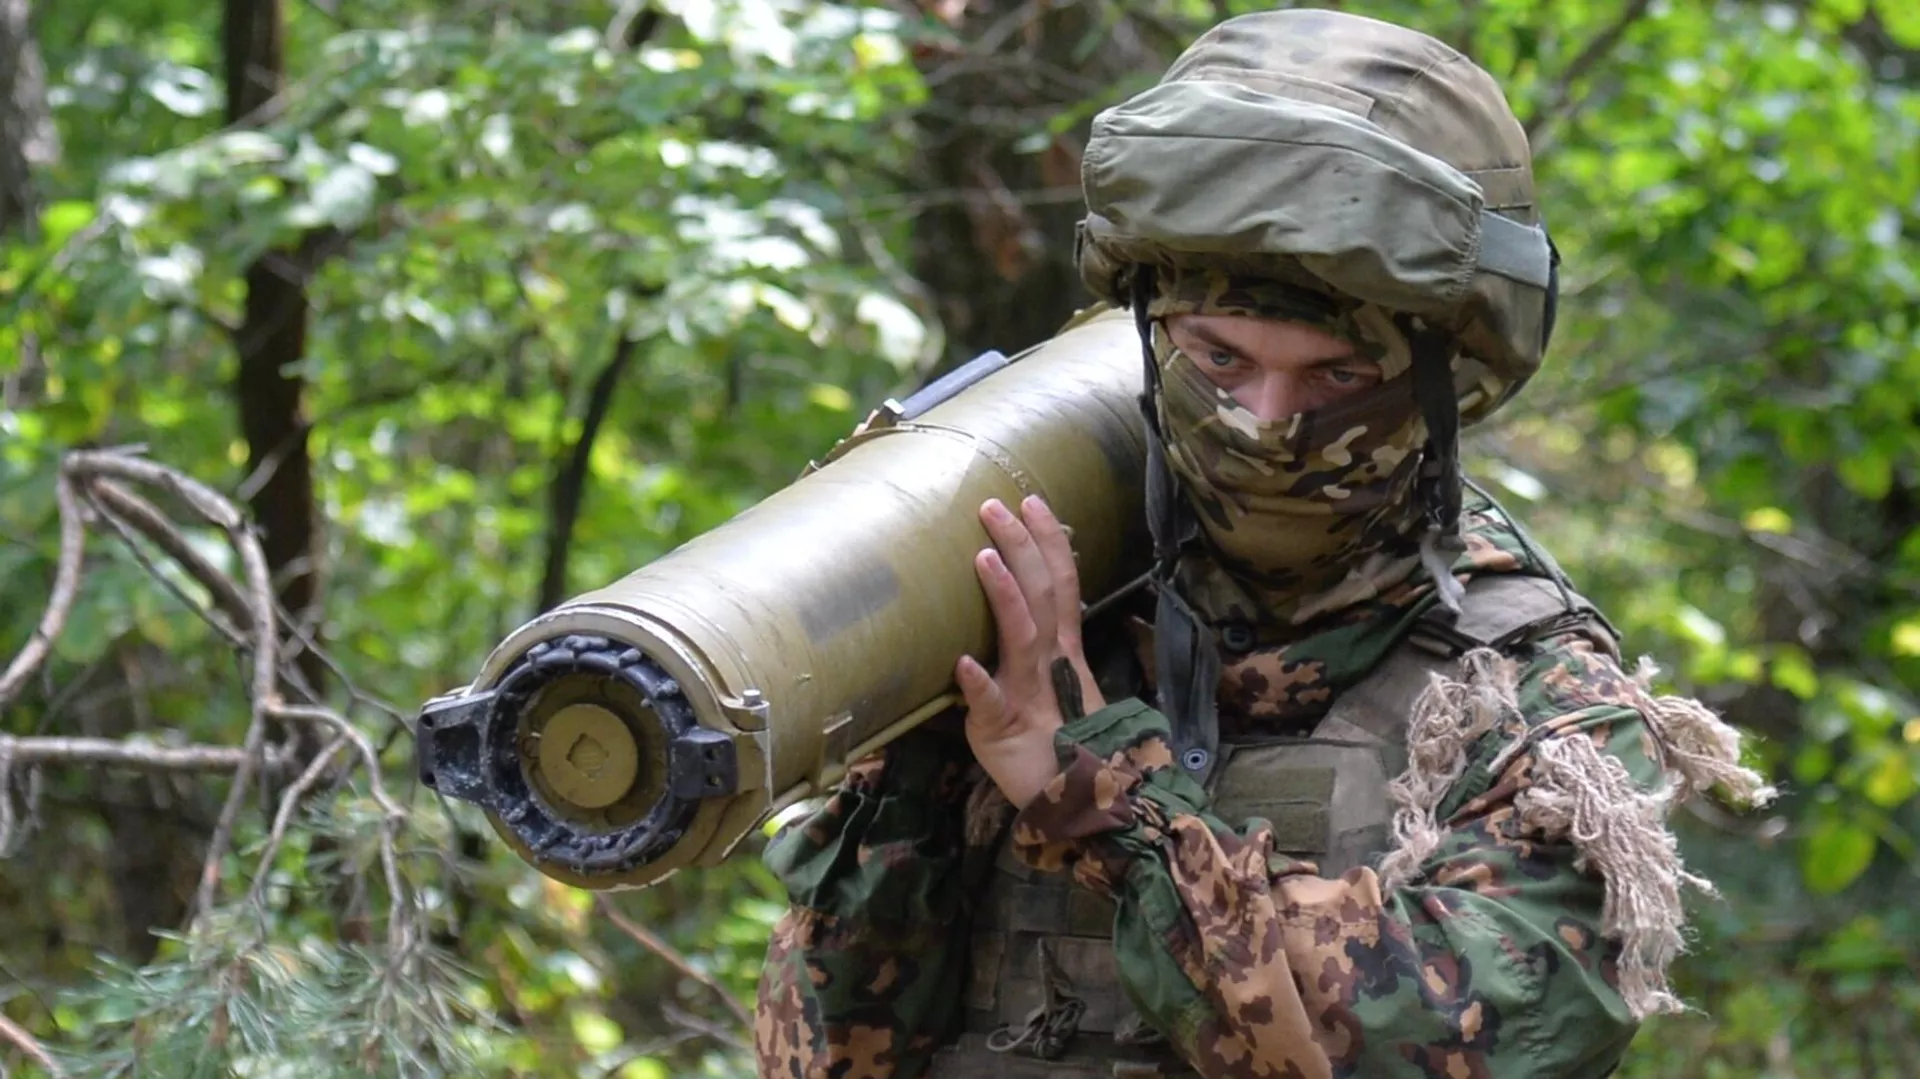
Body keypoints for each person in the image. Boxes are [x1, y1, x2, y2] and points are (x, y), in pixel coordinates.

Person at [754, 9, 1769, 1079]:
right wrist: (918, 750)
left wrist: (1108, 795)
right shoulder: (1051, 627)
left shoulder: (1530, 707)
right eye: (1220, 360)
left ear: (1442, 387)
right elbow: (825, 1056)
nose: (1266, 423)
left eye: (1334, 376)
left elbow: (1432, 1046)